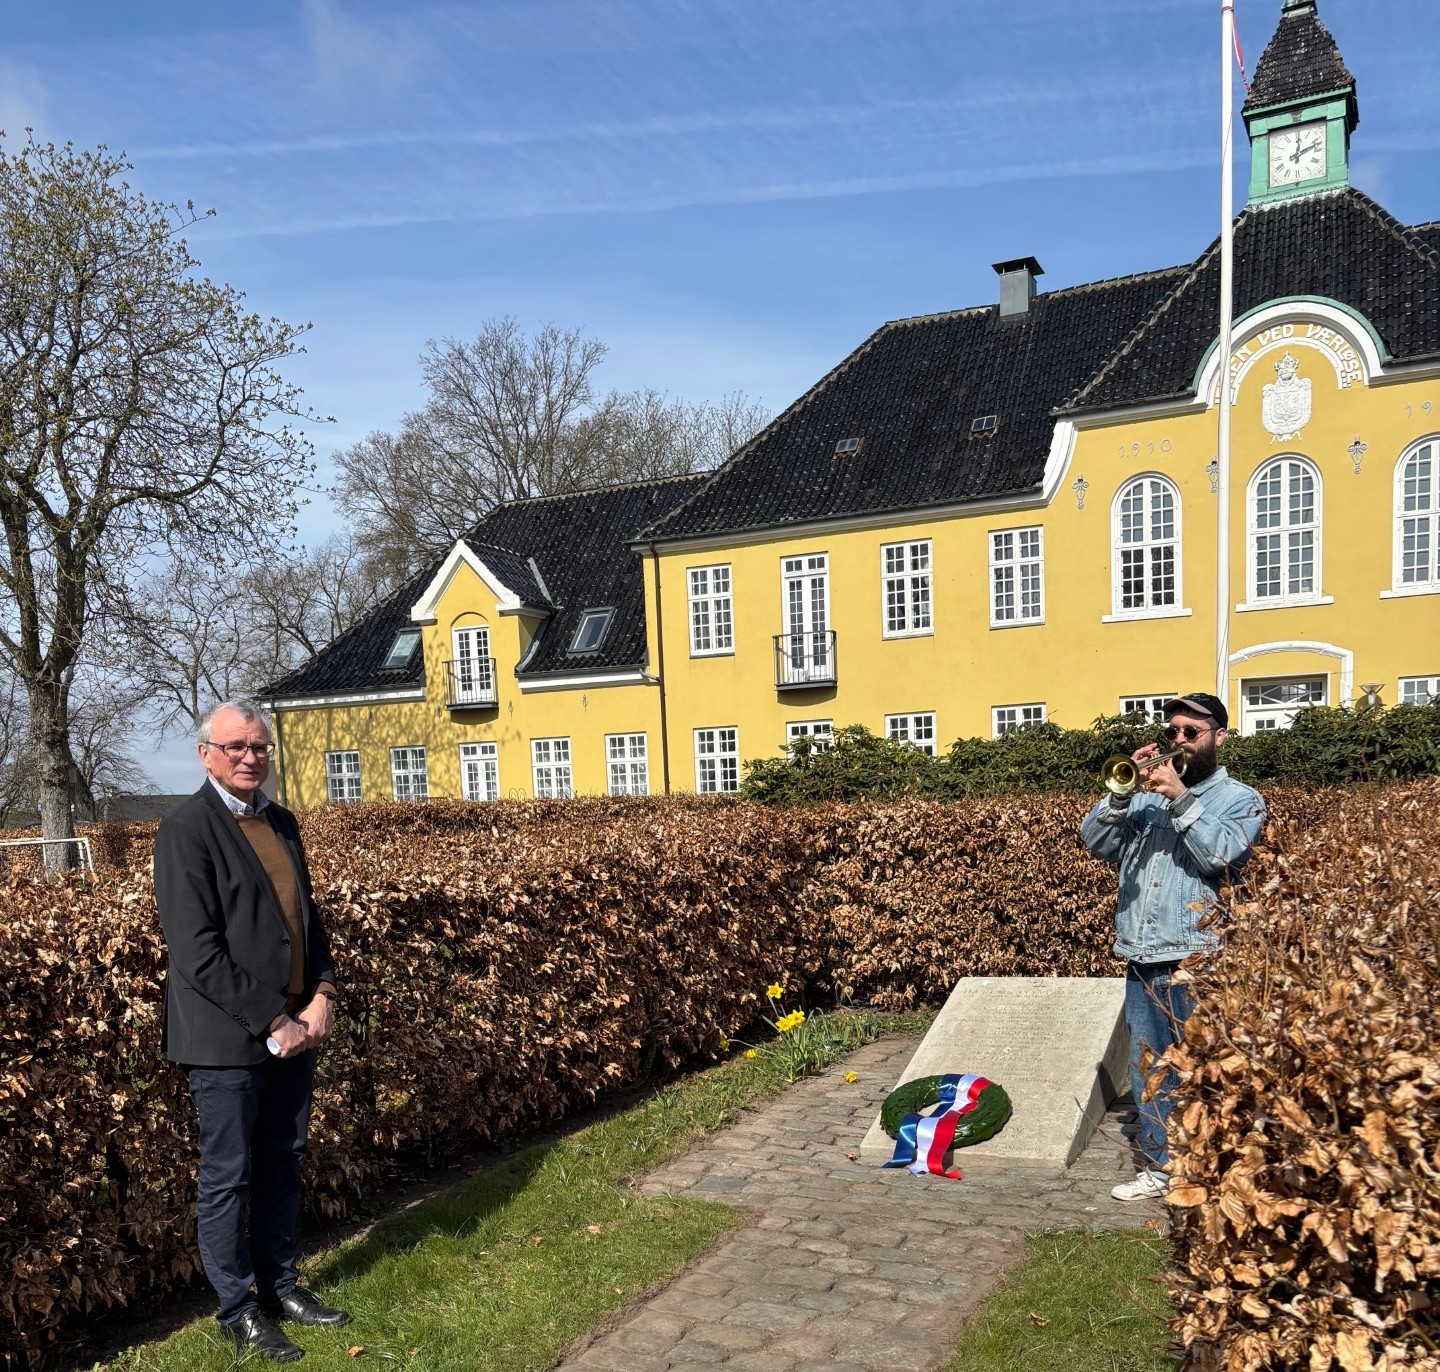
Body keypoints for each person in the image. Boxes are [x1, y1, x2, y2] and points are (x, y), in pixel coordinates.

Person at [154, 699, 350, 1363]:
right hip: (228, 1041)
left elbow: (308, 924)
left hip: (296, 1030)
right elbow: (195, 949)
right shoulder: (187, 831)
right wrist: (273, 1018)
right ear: (206, 753)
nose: (249, 758)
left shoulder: (282, 821)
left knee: (281, 1164)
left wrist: (322, 993)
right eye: (236, 747)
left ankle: (281, 1287)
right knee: (228, 1177)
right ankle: (237, 1311)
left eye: (259, 747)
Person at [1080, 692, 1266, 1202]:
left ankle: (1213, 1172)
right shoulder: (1143, 798)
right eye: (1174, 732)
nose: (1179, 740)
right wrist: (1124, 795)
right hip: (1141, 954)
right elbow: (1095, 842)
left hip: (1197, 959)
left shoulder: (1241, 799)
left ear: (1219, 737)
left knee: (1206, 1068)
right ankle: (1163, 1168)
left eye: (1192, 732)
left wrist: (1180, 796)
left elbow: (1222, 855)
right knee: (1150, 1069)